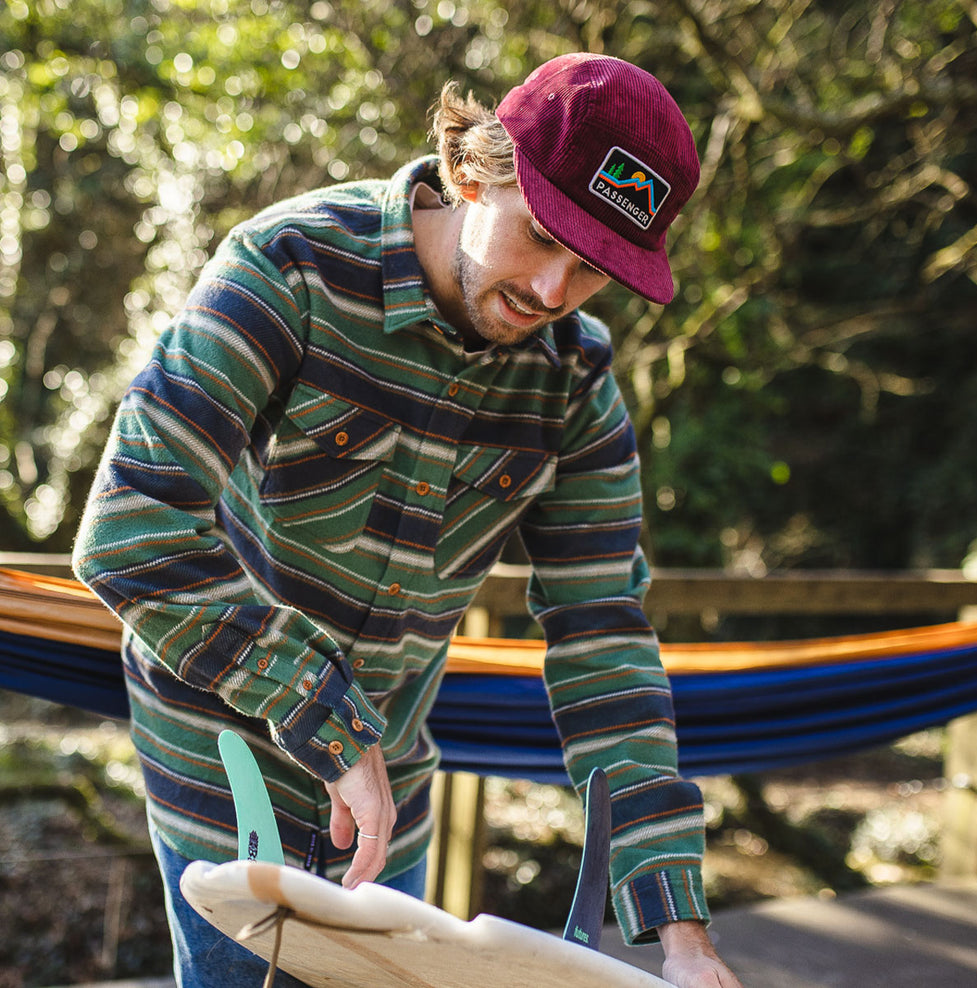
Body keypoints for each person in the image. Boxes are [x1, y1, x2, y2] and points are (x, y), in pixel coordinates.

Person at [73, 53, 742, 987]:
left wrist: (681, 930)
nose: (553, 294)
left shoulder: (576, 382)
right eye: (544, 237)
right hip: (223, 769)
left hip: (396, 797)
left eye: (592, 271)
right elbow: (129, 526)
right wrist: (324, 718)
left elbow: (606, 641)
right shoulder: (288, 267)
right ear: (475, 170)